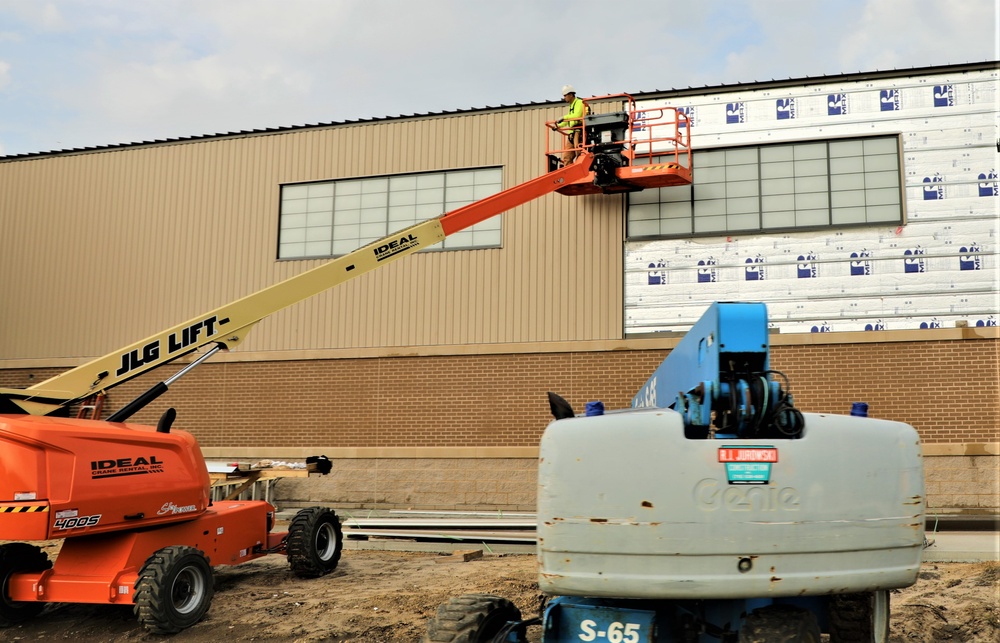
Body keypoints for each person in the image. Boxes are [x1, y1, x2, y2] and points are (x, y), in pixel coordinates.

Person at [554, 84, 585, 166]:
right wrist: (558, 126)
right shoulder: (572, 105)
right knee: (567, 157)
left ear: (571, 95)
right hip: (572, 134)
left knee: (579, 155)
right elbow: (569, 120)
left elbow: (577, 116)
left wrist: (564, 117)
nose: (564, 98)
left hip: (579, 132)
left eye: (565, 95)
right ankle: (570, 175)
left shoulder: (579, 102)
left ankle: (579, 173)